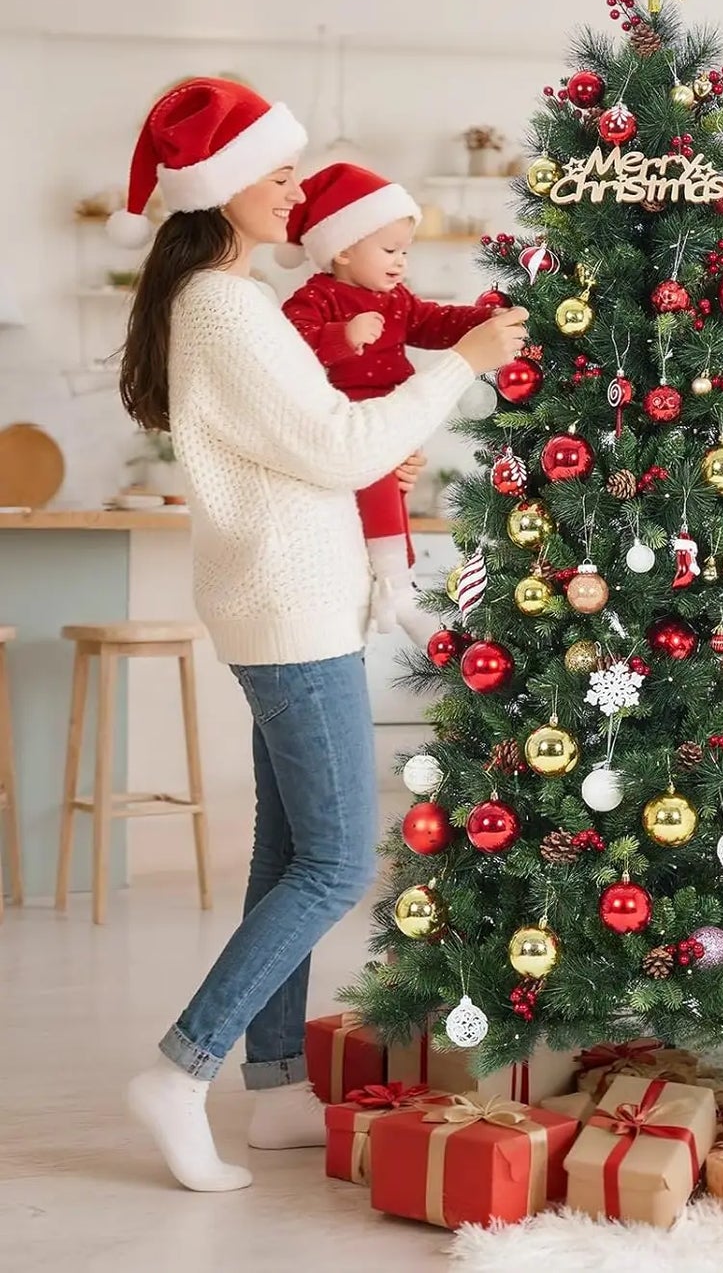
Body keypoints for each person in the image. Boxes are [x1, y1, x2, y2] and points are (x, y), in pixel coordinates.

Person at [110, 77, 527, 1193]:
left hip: (289, 596)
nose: (297, 186)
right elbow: (342, 445)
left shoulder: (226, 297)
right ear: (219, 188)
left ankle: (276, 1084)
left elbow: (320, 441)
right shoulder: (225, 306)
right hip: (287, 605)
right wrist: (460, 363)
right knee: (338, 860)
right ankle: (181, 1068)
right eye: (277, 169)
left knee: (287, 851)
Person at [278, 163, 504, 646]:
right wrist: (344, 335)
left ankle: (391, 587)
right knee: (381, 494)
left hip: (395, 416)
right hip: (354, 418)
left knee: (391, 501)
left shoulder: (397, 299)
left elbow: (437, 322)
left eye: (405, 250)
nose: (400, 261)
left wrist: (486, 321)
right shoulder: (318, 297)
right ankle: (398, 590)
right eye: (388, 249)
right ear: (341, 248)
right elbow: (288, 345)